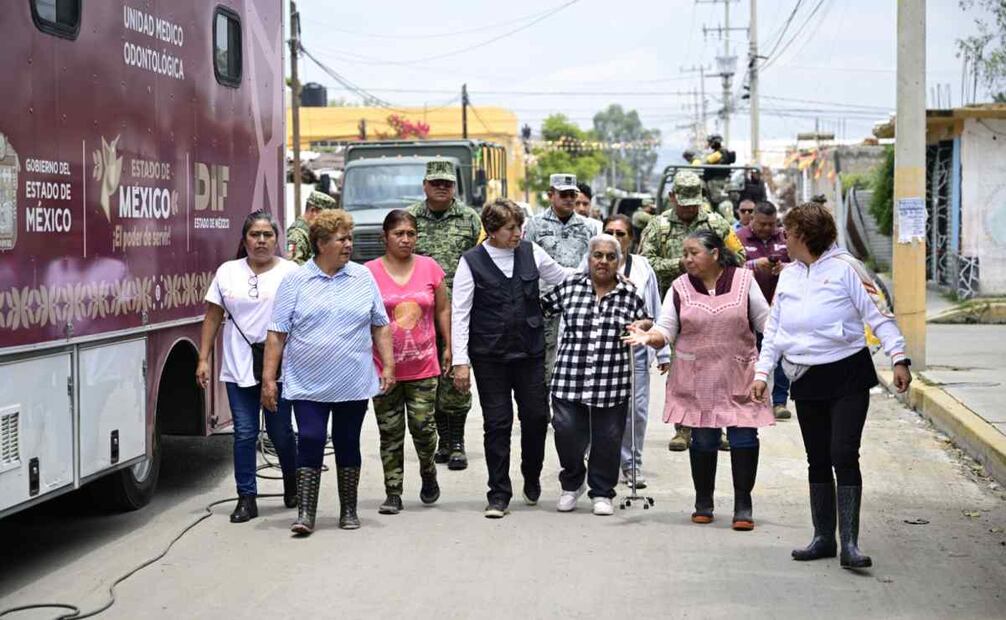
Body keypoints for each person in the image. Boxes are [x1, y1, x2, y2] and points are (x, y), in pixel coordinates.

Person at [751, 203, 912, 569]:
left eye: (788, 233)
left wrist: (899, 357)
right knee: (818, 458)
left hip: (847, 374)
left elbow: (879, 316)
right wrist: (762, 373)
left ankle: (850, 543)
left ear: (804, 235)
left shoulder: (846, 269)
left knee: (843, 453)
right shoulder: (789, 276)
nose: (783, 239)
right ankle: (823, 537)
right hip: (805, 376)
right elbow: (773, 330)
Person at [626, 230, 773, 530]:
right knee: (704, 439)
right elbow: (666, 328)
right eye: (685, 254)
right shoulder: (679, 287)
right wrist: (650, 337)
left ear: (715, 253)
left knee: (744, 438)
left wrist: (775, 356)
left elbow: (766, 323)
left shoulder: (744, 281)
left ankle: (743, 505)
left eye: (693, 253)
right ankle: (703, 502)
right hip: (698, 377)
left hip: (739, 373)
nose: (687, 259)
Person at [263, 209, 395, 535]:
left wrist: (389, 365)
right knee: (310, 437)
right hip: (307, 381)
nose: (349, 244)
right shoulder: (295, 280)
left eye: (350, 238)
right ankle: (306, 513)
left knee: (348, 441)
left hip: (352, 380)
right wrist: (268, 379)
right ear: (321, 244)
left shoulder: (363, 277)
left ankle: (349, 510)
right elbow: (277, 333)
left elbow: (380, 325)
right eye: (341, 239)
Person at [451, 199, 571, 519]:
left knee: (536, 417)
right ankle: (498, 493)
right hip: (489, 356)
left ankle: (531, 474)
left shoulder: (532, 252)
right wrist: (460, 362)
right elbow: (460, 313)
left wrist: (603, 272)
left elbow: (564, 277)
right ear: (492, 231)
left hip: (529, 352)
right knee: (497, 423)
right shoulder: (471, 262)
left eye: (520, 227)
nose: (518, 233)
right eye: (510, 229)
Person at [196, 210, 299, 524]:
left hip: (280, 366)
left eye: (268, 235)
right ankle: (246, 497)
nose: (261, 241)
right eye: (255, 235)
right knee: (244, 433)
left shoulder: (291, 272)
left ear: (276, 240)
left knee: (281, 433)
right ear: (244, 240)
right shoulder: (227, 272)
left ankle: (293, 482)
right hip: (238, 365)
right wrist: (203, 358)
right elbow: (213, 316)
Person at [541, 234, 651, 515]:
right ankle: (572, 484)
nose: (603, 261)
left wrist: (643, 327)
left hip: (611, 380)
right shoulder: (570, 287)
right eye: (597, 256)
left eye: (610, 257)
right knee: (566, 433)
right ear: (589, 259)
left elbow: (647, 320)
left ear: (619, 262)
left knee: (608, 439)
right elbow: (541, 308)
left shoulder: (629, 295)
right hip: (569, 377)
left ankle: (602, 492)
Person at [639, 170, 744, 452]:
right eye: (683, 203)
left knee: (719, 366)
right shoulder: (658, 226)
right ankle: (684, 429)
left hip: (716, 307)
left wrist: (712, 265)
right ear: (672, 197)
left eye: (693, 203)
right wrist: (681, 264)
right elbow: (646, 264)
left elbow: (739, 256)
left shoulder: (716, 224)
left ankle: (717, 426)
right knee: (682, 369)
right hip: (677, 307)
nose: (688, 209)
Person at [365, 210, 451, 515]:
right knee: (390, 432)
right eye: (398, 233)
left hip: (423, 365)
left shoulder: (430, 268)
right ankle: (393, 492)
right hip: (383, 368)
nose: (405, 239)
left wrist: (448, 346)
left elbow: (443, 309)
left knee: (423, 427)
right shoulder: (369, 272)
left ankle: (428, 470)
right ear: (385, 237)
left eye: (411, 233)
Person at [408, 159, 483, 471]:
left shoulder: (470, 219)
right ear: (424, 185)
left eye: (447, 183)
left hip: (460, 311)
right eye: (435, 182)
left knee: (456, 376)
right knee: (431, 377)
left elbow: (482, 259)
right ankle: (441, 439)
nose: (441, 187)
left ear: (454, 186)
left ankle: (457, 442)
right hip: (420, 313)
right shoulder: (410, 218)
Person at [600, 214, 670, 489]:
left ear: (631, 239)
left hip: (636, 349)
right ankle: (599, 461)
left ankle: (631, 464)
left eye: (621, 234)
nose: (614, 238)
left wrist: (662, 351)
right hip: (600, 350)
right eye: (609, 232)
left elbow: (655, 309)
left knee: (636, 411)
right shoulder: (591, 263)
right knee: (600, 409)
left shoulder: (642, 267)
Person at [523, 173, 594, 387]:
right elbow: (526, 263)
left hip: (578, 304)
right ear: (550, 195)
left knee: (578, 357)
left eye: (573, 194)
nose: (569, 199)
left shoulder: (588, 227)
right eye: (564, 195)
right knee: (545, 358)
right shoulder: (535, 225)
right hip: (544, 304)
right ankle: (543, 403)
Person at [738, 201, 793, 420]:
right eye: (762, 224)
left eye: (771, 224)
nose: (767, 228)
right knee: (752, 355)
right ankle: (753, 398)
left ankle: (779, 402)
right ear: (753, 219)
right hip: (748, 310)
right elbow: (728, 269)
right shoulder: (739, 239)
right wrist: (754, 265)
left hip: (781, 307)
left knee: (781, 354)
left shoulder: (785, 238)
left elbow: (801, 265)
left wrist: (784, 267)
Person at [286, 190, 337, 265]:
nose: (327, 220)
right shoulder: (297, 234)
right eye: (325, 216)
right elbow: (293, 264)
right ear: (313, 211)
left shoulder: (311, 231)